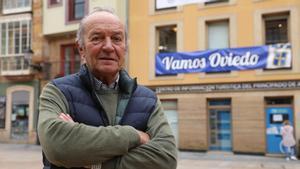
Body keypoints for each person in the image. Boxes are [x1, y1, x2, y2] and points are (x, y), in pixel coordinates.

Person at [38, 7, 177, 169]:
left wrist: (93, 162)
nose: (109, 47)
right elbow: (57, 147)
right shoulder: (57, 91)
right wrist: (134, 136)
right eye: (97, 38)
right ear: (81, 49)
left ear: (125, 47)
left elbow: (166, 159)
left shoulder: (148, 99)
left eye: (117, 39)